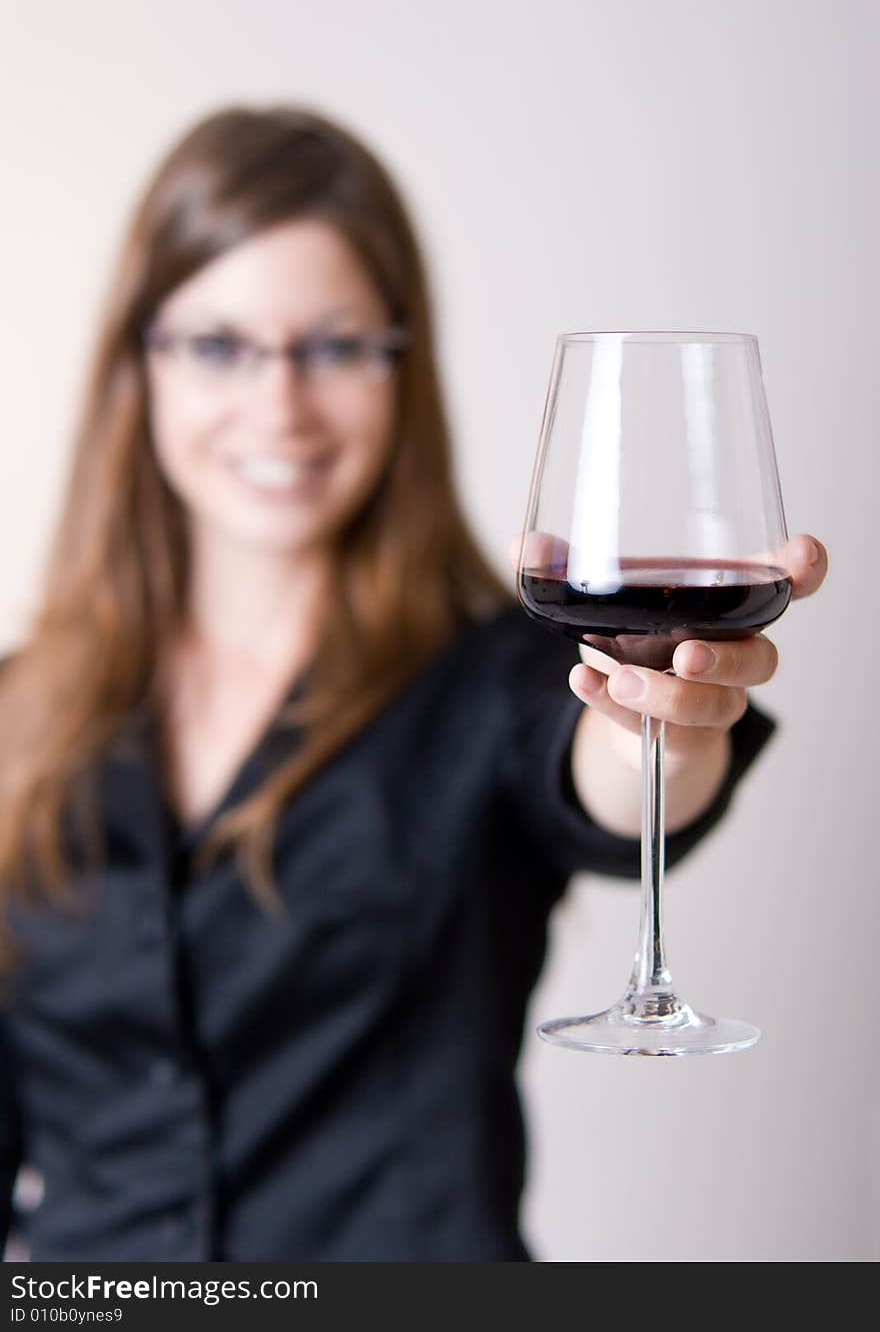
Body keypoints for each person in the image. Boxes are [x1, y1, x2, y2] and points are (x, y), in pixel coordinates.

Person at [0, 104, 827, 1263]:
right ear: (139, 368)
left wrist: (667, 717)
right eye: (221, 345)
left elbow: (606, 766)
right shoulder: (17, 715)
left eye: (334, 345)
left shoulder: (495, 681)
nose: (279, 402)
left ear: (402, 364)